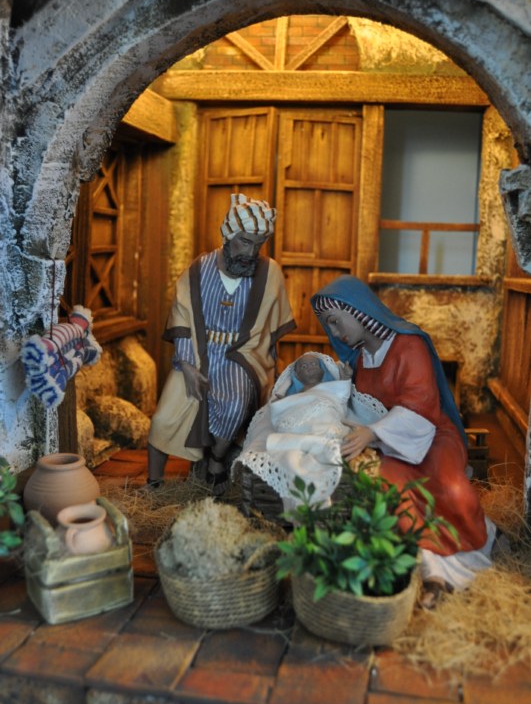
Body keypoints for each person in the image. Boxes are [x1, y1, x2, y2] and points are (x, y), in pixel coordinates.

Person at [310, 275, 496, 608]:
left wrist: (373, 432)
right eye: (329, 326)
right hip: (388, 442)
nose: (335, 333)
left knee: (449, 488)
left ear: (358, 309)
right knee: (387, 485)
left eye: (336, 321)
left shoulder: (409, 345)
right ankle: (426, 567)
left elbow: (420, 405)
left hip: (430, 433)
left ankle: (463, 551)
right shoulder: (359, 359)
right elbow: (360, 404)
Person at [147, 193, 296, 494]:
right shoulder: (198, 269)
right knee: (164, 418)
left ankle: (216, 460)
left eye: (258, 244)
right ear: (228, 235)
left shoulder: (270, 274)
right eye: (244, 242)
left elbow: (270, 333)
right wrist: (187, 366)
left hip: (243, 355)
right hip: (195, 354)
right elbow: (182, 320)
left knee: (236, 402)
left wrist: (263, 367)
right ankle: (153, 483)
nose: (250, 252)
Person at [233, 352, 352, 510]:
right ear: (297, 375)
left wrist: (346, 377)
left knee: (327, 429)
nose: (309, 367)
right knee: (290, 454)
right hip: (296, 429)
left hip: (323, 421)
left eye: (314, 364)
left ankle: (317, 442)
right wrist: (280, 400)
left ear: (323, 370)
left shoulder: (331, 390)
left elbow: (343, 397)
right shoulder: (293, 396)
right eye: (303, 366)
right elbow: (278, 413)